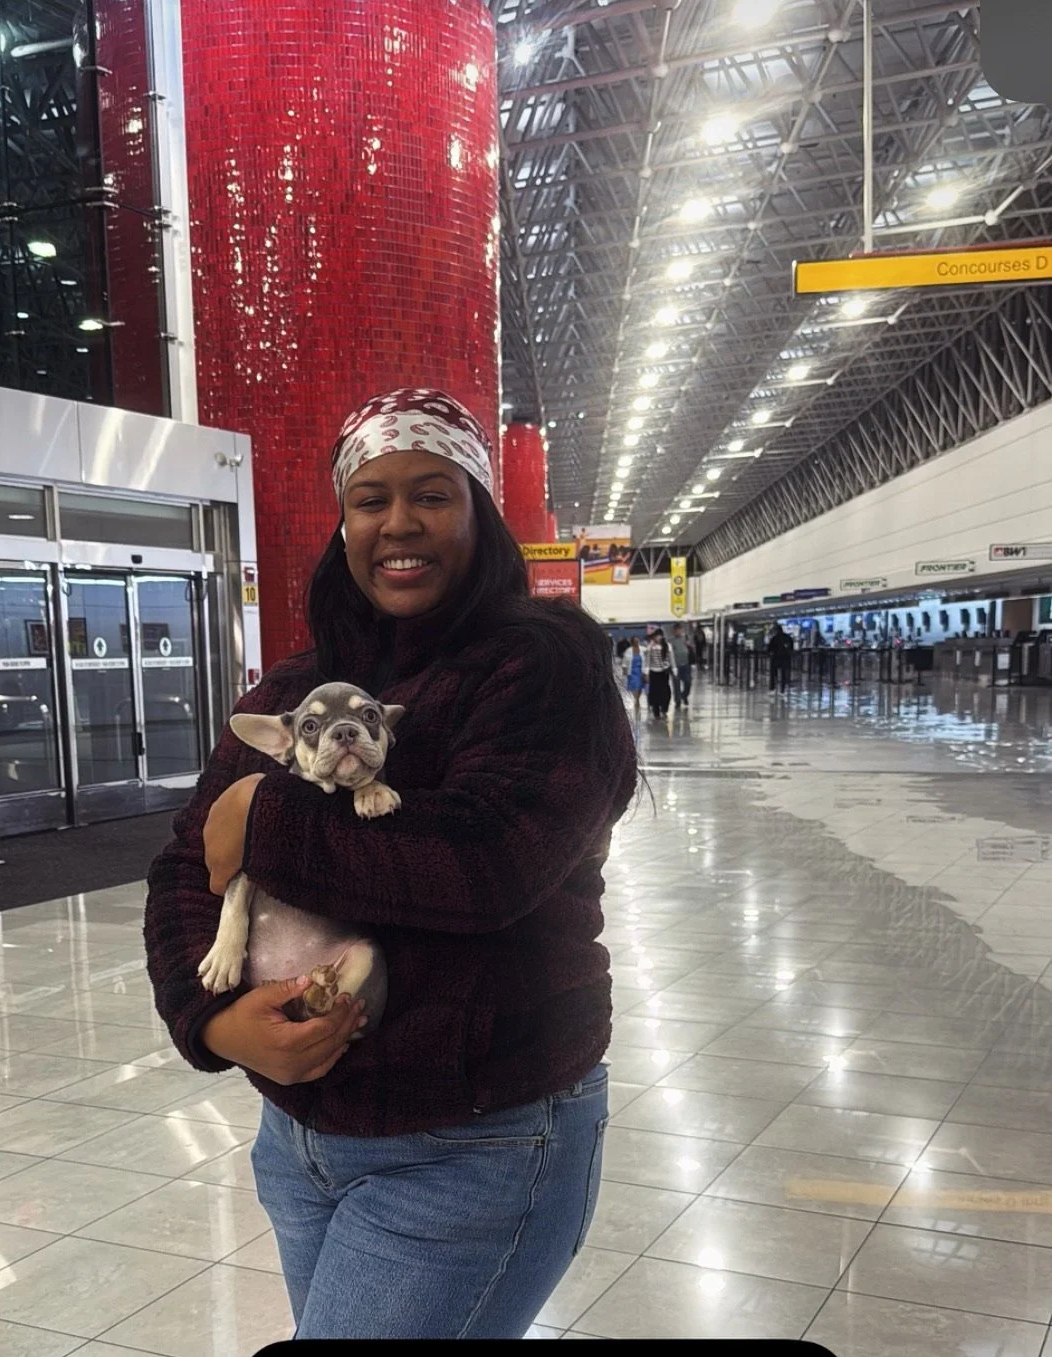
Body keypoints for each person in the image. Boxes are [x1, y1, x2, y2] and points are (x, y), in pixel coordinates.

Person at [144, 388, 637, 1341]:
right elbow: (182, 870)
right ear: (343, 521)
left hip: (477, 1135)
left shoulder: (541, 665)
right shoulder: (293, 685)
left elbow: (490, 858)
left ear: (480, 513)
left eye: (432, 494)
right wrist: (211, 1020)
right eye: (370, 499)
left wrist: (261, 810)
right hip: (300, 1143)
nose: (398, 523)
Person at [644, 626, 674, 719]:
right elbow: (647, 659)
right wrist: (646, 672)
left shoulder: (667, 645)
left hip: (664, 672)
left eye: (659, 636)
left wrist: (674, 668)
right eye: (656, 636)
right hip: (654, 672)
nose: (658, 638)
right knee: (654, 693)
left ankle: (664, 709)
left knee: (666, 692)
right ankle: (656, 712)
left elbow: (671, 658)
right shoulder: (650, 647)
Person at [668, 623, 693, 709]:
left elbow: (692, 649)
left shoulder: (686, 638)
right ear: (674, 631)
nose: (678, 631)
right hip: (676, 666)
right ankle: (677, 701)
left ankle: (684, 695)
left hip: (686, 664)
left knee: (688, 682)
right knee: (676, 684)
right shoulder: (670, 641)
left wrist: (688, 645)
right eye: (677, 630)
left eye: (680, 629)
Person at [622, 635, 645, 717]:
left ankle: (638, 698)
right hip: (632, 671)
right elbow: (624, 662)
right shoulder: (628, 651)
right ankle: (636, 700)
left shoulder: (643, 649)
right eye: (635, 641)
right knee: (635, 686)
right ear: (632, 642)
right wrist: (624, 670)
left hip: (640, 671)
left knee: (640, 687)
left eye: (637, 641)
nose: (636, 642)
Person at [767, 623, 793, 693]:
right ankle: (782, 690)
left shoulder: (774, 638)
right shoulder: (788, 638)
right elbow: (791, 648)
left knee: (773, 674)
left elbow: (769, 649)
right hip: (785, 658)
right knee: (783, 674)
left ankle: (772, 688)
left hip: (775, 658)